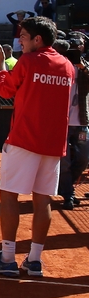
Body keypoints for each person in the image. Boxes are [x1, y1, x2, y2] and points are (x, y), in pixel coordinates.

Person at [0, 17, 74, 277]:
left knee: (9, 195)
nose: (19, 40)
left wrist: (0, 66)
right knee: (42, 199)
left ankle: (8, 257)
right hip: (53, 144)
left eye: (23, 36)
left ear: (37, 39)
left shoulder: (28, 62)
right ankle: (34, 260)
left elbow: (5, 91)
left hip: (23, 140)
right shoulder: (67, 66)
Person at [58, 45, 89, 210]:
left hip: (81, 122)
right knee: (64, 163)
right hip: (61, 122)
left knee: (83, 159)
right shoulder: (59, 67)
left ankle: (64, 187)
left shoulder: (85, 69)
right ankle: (68, 195)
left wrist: (82, 66)